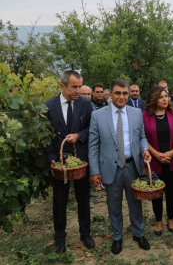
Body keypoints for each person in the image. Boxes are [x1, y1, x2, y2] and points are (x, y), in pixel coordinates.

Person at [88, 79, 152, 255]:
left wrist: (145, 149)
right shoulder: (98, 115)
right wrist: (94, 171)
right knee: (113, 204)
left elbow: (141, 137)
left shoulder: (136, 113)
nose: (122, 96)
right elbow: (93, 145)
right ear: (111, 94)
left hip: (132, 166)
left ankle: (139, 233)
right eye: (118, 93)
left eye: (125, 93)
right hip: (110, 168)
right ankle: (117, 236)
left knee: (135, 203)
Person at [43, 71, 95, 254]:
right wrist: (51, 157)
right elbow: (45, 136)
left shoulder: (86, 104)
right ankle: (59, 237)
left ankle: (85, 233)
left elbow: (92, 129)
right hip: (59, 164)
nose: (78, 90)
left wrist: (79, 135)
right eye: (74, 86)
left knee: (83, 198)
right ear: (62, 86)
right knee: (59, 201)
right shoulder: (48, 106)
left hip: (80, 161)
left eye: (80, 86)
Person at [142, 86, 173, 236]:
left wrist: (172, 152)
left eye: (166, 96)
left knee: (171, 191)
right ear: (153, 99)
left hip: (172, 158)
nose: (165, 99)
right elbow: (143, 138)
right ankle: (158, 220)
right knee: (156, 191)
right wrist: (158, 155)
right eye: (161, 97)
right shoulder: (145, 116)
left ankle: (171, 218)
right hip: (155, 159)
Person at [79, 85, 101, 208]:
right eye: (84, 94)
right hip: (81, 144)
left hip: (91, 144)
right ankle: (85, 198)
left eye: (88, 94)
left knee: (90, 170)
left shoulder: (91, 106)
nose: (86, 97)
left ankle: (89, 192)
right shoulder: (76, 108)